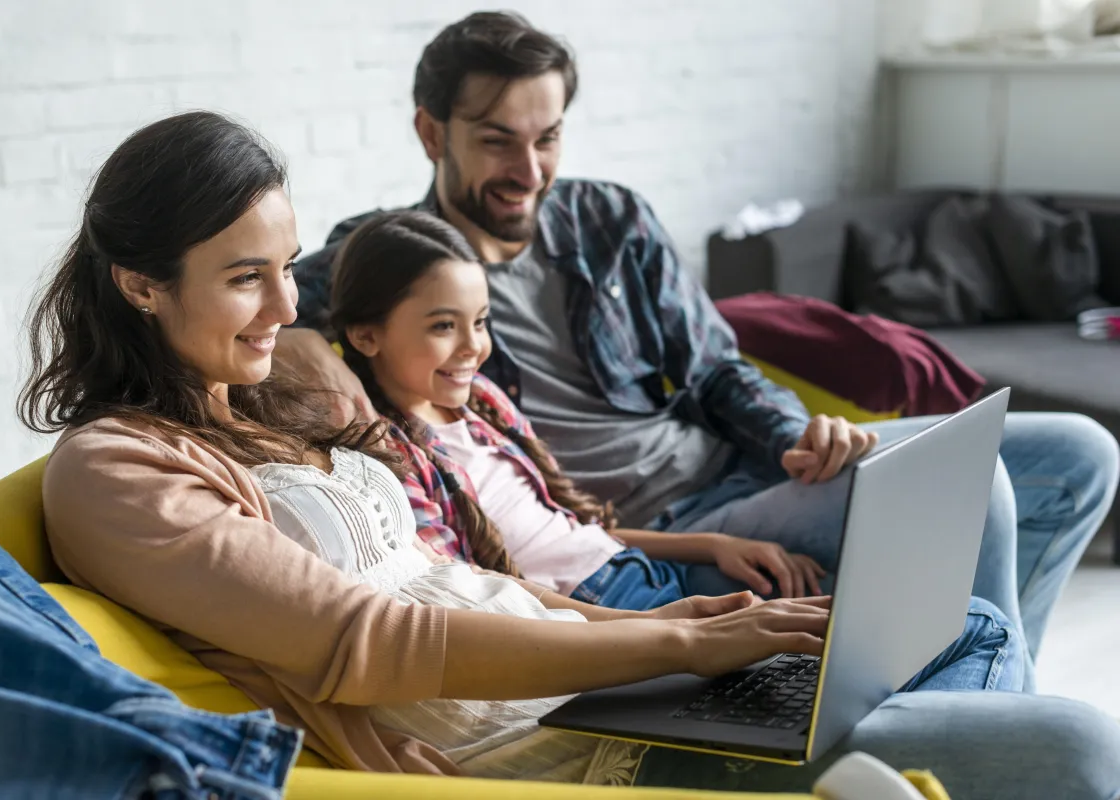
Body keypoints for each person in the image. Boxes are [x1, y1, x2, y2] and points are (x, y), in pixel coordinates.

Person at [22, 110, 1120, 800]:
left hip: (596, 673)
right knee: (1069, 749)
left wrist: (659, 624)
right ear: (140, 282)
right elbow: (370, 638)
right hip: (538, 738)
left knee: (970, 623)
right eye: (244, 276)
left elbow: (459, 568)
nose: (286, 304)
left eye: (287, 264)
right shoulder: (116, 470)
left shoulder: (265, 409)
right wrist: (666, 654)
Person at [280, 11, 1120, 687]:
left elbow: (715, 366)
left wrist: (794, 433)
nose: (529, 169)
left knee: (1081, 452)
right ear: (431, 133)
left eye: (548, 138)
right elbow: (270, 315)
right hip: (650, 530)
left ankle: (999, 697)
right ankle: (994, 723)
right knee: (976, 490)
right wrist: (314, 347)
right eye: (498, 139)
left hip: (743, 467)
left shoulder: (610, 218)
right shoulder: (392, 261)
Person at [330, 207, 825, 604]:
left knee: (822, 609)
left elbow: (576, 534)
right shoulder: (389, 458)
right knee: (795, 648)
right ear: (366, 334)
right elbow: (468, 593)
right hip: (596, 610)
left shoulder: (482, 403)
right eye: (443, 326)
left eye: (480, 322)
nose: (473, 347)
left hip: (637, 568)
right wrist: (671, 632)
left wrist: (716, 546)